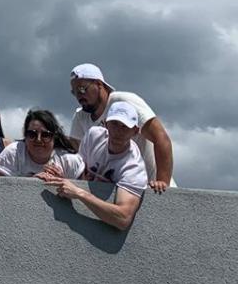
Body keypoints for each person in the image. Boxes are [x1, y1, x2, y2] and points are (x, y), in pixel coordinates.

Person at [40, 102, 148, 231]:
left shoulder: (133, 167)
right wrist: (57, 173)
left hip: (105, 237)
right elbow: (79, 167)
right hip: (78, 213)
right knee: (66, 161)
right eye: (114, 124)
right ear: (106, 124)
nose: (119, 131)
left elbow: (123, 219)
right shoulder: (94, 135)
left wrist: (79, 193)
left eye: (125, 127)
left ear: (135, 131)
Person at [67, 63, 174, 192]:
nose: (79, 96)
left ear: (99, 84)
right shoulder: (80, 117)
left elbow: (161, 139)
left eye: (82, 89)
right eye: (75, 92)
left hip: (151, 188)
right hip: (114, 190)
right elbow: (76, 157)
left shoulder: (123, 101)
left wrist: (163, 185)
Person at [0, 109, 84, 180]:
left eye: (45, 135)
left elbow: (83, 196)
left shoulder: (69, 161)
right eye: (32, 134)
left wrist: (63, 182)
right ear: (25, 136)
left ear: (54, 137)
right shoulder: (12, 154)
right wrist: (30, 184)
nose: (38, 139)